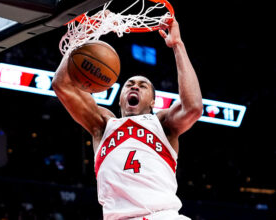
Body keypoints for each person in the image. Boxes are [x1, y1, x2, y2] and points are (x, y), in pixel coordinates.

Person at [52, 17, 202, 220]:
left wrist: (177, 45)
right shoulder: (103, 124)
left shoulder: (162, 124)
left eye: (143, 85)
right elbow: (62, 85)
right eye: (129, 84)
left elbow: (192, 107)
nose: (134, 86)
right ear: (121, 99)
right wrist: (80, 41)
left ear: (152, 102)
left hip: (162, 215)